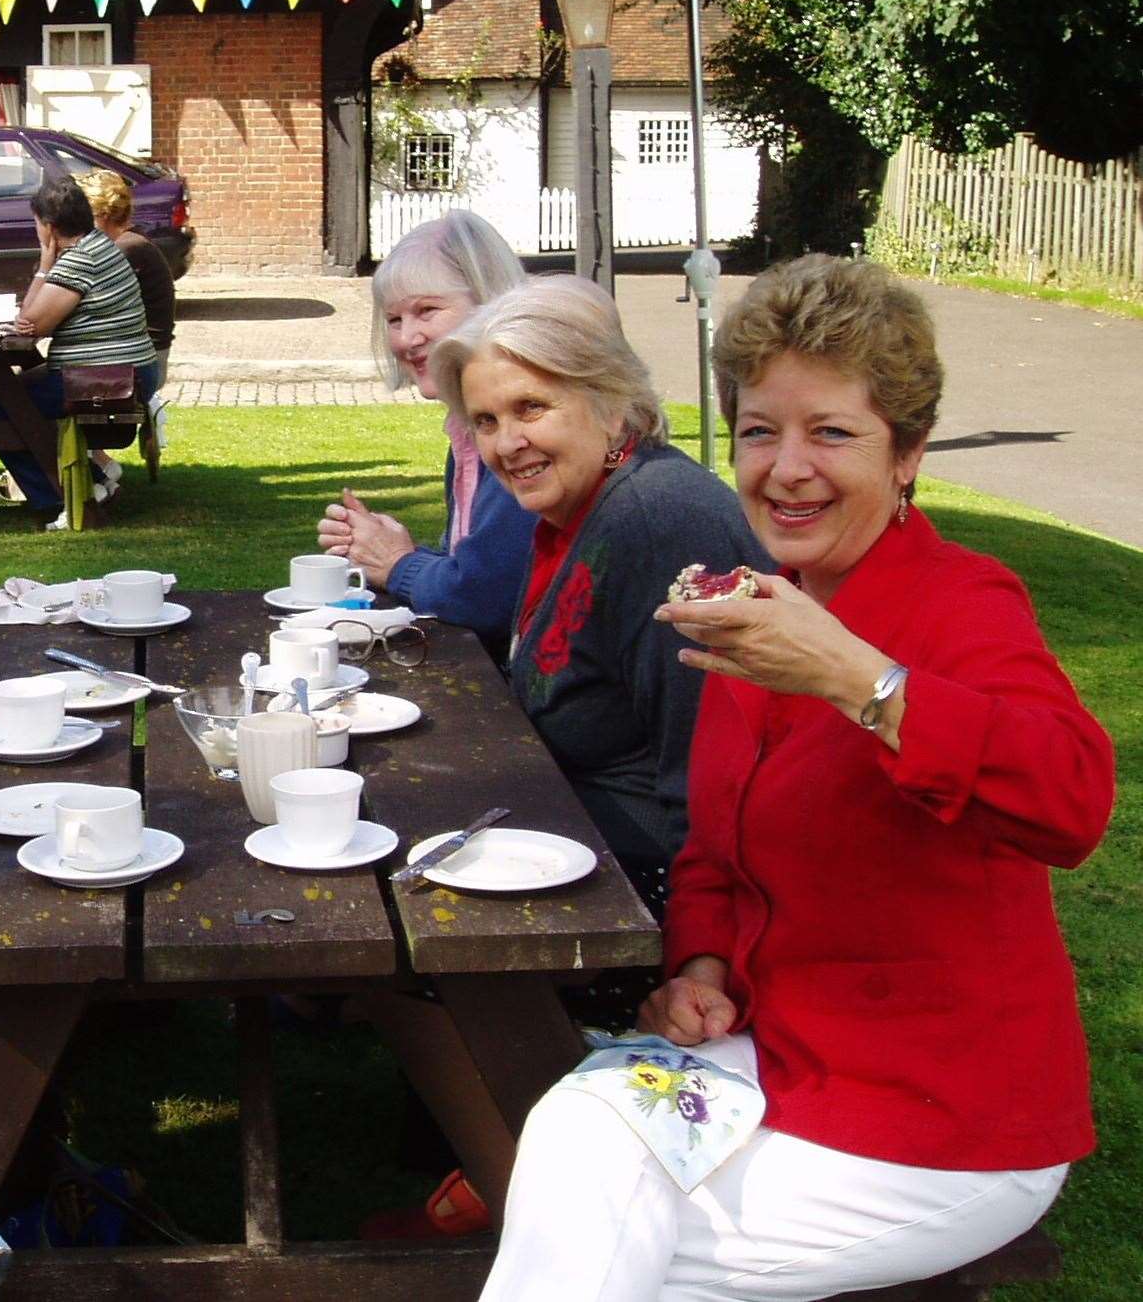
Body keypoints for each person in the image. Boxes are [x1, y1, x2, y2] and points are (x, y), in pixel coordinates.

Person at [481, 256, 1116, 1301]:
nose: (786, 469)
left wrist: (857, 679)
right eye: (760, 432)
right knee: (576, 1134)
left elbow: (1072, 799)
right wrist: (701, 968)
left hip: (946, 1119)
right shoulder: (759, 611)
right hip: (774, 1061)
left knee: (614, 1258)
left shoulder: (962, 603)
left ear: (908, 453)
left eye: (832, 433)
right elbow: (717, 852)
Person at [432, 275, 767, 928]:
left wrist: (696, 955)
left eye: (531, 408)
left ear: (610, 406)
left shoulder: (655, 521)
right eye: (486, 421)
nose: (505, 444)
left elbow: (705, 776)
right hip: (573, 840)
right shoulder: (574, 510)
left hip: (649, 892)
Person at [316, 212, 534, 657]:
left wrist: (398, 564)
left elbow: (484, 599)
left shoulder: (518, 437)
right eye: (394, 319)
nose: (407, 338)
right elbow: (478, 570)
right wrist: (388, 549)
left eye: (427, 310)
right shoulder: (467, 434)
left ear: (490, 302)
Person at [0, 175, 160, 521]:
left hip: (109, 377)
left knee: (1, 407)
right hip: (127, 369)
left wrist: (44, 264)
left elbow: (31, 326)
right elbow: (34, 322)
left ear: (49, 226)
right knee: (12, 394)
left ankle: (55, 498)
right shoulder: (99, 245)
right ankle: (97, 479)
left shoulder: (79, 261)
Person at [76, 168, 176, 492]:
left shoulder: (124, 249)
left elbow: (76, 306)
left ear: (100, 215)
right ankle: (98, 462)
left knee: (39, 390)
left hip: (136, 367)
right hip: (135, 359)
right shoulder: (130, 244)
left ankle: (94, 471)